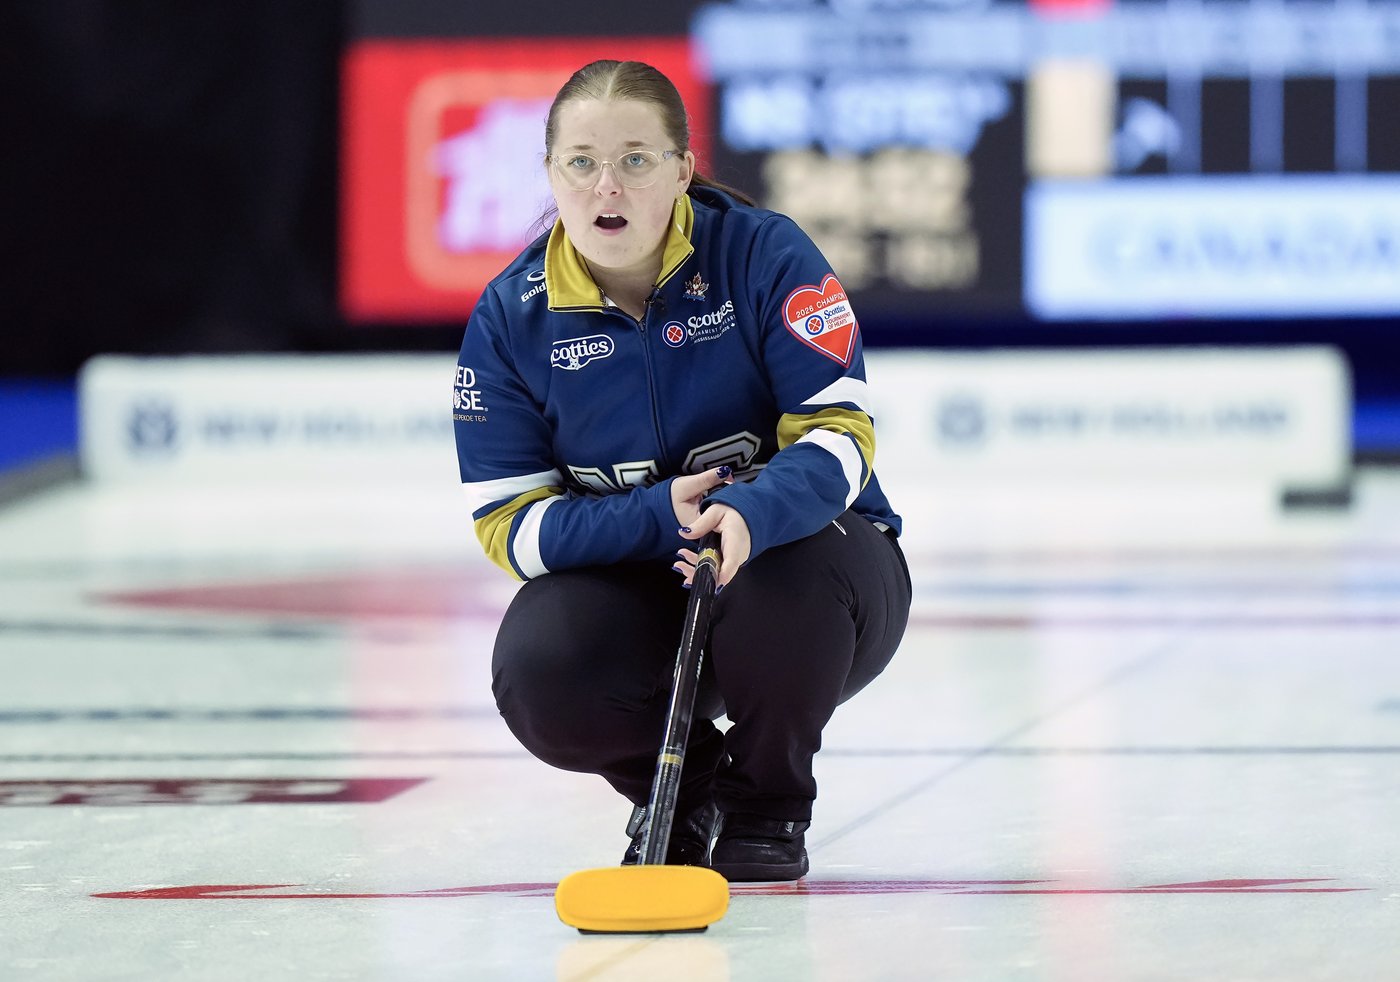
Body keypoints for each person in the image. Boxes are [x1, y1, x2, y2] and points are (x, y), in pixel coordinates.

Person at [452, 59, 911, 882]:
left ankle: (769, 804)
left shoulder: (765, 254)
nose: (607, 188)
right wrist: (658, 514)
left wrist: (754, 512)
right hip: (646, 592)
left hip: (821, 578)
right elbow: (509, 528)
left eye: (636, 159)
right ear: (550, 175)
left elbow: (842, 433)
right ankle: (691, 790)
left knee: (779, 585)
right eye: (581, 163)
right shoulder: (508, 318)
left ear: (681, 170)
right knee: (540, 665)